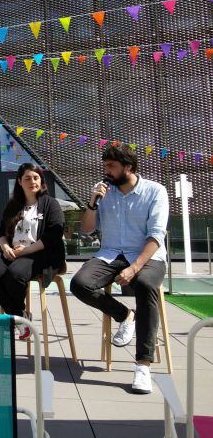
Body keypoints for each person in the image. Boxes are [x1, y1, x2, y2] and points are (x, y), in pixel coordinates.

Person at [70, 144, 168, 394]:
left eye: (111, 166)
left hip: (147, 255)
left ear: (129, 167)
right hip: (111, 254)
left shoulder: (155, 191)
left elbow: (156, 236)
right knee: (79, 284)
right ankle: (125, 315)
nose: (106, 171)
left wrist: (135, 268)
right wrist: (92, 203)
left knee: (145, 285)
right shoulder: (105, 193)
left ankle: (143, 365)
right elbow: (88, 229)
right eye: (105, 166)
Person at [0, 163, 65, 340]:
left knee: (16, 273)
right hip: (13, 251)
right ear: (19, 181)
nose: (32, 181)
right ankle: (20, 317)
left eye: (35, 177)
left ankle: (16, 320)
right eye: (27, 178)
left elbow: (53, 236)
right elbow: (2, 233)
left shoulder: (51, 204)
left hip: (40, 253)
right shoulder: (13, 205)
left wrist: (25, 251)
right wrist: (5, 247)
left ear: (41, 180)